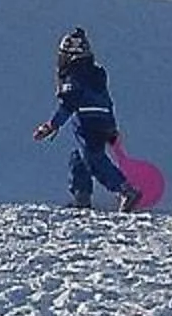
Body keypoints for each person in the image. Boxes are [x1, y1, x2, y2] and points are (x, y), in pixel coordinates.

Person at [32, 26, 138, 211]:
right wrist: (112, 127)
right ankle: (82, 196)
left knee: (93, 158)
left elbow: (68, 104)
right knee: (79, 158)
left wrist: (51, 126)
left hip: (88, 122)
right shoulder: (95, 75)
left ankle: (125, 190)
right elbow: (107, 101)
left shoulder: (73, 77)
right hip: (102, 120)